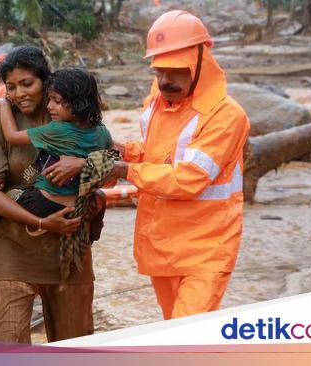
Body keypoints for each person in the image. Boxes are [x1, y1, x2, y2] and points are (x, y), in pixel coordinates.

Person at [106, 10, 251, 319]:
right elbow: (159, 155)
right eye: (159, 71)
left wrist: (126, 170)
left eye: (174, 71)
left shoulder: (225, 115)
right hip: (162, 243)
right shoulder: (155, 104)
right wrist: (122, 151)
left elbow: (190, 178)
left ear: (200, 63)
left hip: (206, 249)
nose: (164, 80)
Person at [0, 46, 100, 343]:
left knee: (75, 343)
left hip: (69, 251)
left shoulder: (78, 121)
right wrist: (40, 222)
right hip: (14, 249)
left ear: (47, 81)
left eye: (27, 84)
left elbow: (113, 168)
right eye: (11, 87)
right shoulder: (0, 123)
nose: (19, 94)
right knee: (10, 343)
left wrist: (83, 165)